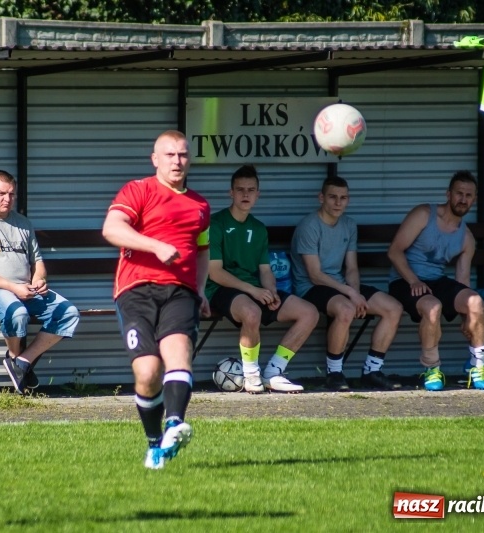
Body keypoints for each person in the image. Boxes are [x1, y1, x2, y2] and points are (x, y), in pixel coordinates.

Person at [102, 130, 210, 470]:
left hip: (181, 291)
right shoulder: (138, 190)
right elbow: (111, 229)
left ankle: (175, 424)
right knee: (147, 372)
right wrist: (156, 245)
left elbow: (203, 251)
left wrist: (201, 289)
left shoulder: (200, 205)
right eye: (169, 155)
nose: (177, 161)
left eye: (182, 155)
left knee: (179, 356)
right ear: (155, 159)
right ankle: (154, 444)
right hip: (136, 290)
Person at [0, 170, 80, 395]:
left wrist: (39, 279)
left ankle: (21, 362)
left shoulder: (23, 223)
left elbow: (38, 261)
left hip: (26, 289)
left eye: (11, 194)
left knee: (68, 313)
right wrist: (13, 288)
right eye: (1, 193)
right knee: (17, 313)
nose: (7, 199)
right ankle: (15, 358)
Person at [206, 165, 319, 393]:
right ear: (231, 193)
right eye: (240, 190)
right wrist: (254, 291)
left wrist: (271, 291)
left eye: (251, 190)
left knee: (309, 313)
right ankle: (251, 375)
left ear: (258, 194)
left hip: (253, 289)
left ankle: (274, 372)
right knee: (252, 312)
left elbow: (266, 270)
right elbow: (215, 272)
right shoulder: (215, 223)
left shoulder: (258, 228)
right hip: (220, 289)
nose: (245, 195)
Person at [291, 176, 404, 392]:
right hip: (311, 289)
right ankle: (334, 374)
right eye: (332, 197)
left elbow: (351, 267)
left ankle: (372, 371)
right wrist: (350, 294)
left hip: (341, 286)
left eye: (343, 198)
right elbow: (315, 275)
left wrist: (355, 291)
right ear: (321, 197)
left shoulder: (349, 225)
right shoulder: (309, 226)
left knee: (393, 308)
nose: (338, 202)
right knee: (346, 309)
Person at [387, 170, 484, 391]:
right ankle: (432, 368)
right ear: (448, 194)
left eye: (468, 195)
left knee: (475, 301)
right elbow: (395, 252)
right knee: (433, 307)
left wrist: (467, 316)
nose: (463, 199)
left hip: (436, 281)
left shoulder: (467, 238)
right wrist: (414, 281)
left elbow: (462, 279)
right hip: (405, 280)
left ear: (474, 199)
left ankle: (477, 366)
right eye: (459, 193)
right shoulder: (424, 214)